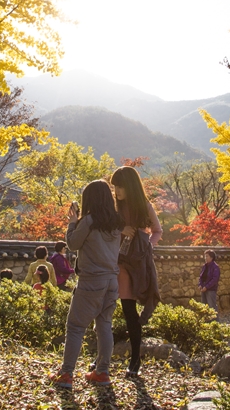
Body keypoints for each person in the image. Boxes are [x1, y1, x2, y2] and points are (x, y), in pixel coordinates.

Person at [49, 180, 124, 389]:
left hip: (91, 280)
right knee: (104, 325)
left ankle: (66, 374)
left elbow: (72, 244)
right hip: (112, 280)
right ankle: (102, 372)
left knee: (75, 327)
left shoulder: (89, 221)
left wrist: (73, 222)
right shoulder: (117, 221)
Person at [111, 165, 163, 378]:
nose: (117, 191)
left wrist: (146, 246)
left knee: (129, 312)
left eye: (121, 186)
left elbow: (157, 231)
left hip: (134, 265)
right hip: (113, 263)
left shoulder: (144, 207)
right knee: (105, 309)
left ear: (130, 186)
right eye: (115, 186)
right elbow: (103, 230)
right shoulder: (113, 208)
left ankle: (135, 359)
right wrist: (120, 229)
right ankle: (102, 356)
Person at [198, 250, 220, 318]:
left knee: (212, 306)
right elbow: (201, 277)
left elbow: (214, 279)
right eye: (205, 256)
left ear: (211, 257)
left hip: (211, 289)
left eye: (207, 256)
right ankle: (206, 321)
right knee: (204, 306)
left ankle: (215, 321)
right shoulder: (204, 266)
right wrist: (200, 285)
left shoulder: (215, 267)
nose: (205, 258)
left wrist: (207, 287)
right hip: (203, 289)